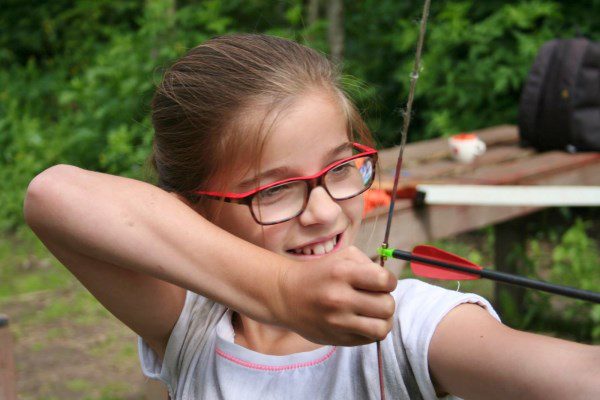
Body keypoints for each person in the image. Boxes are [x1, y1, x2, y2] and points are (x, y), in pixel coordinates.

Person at [24, 34, 599, 399]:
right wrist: (280, 291)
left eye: (342, 167)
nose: (324, 210)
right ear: (196, 210)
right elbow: (54, 194)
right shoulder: (195, 325)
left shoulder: (409, 324)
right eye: (273, 190)